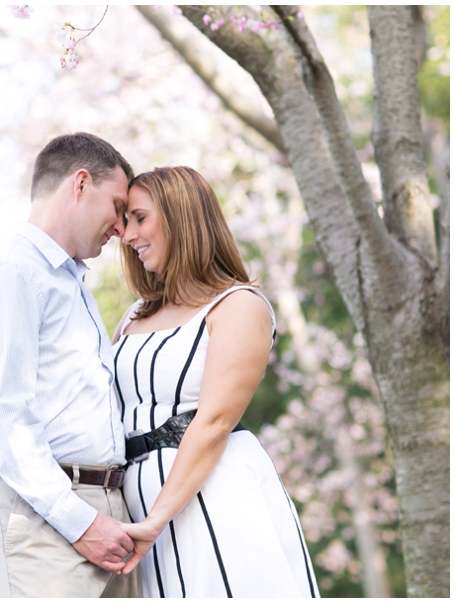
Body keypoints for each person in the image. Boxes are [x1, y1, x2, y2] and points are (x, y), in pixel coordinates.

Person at [0, 133, 140, 597]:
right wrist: (82, 522)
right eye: (116, 206)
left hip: (101, 510)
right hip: (43, 513)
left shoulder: (70, 281)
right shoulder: (12, 270)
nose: (121, 228)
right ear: (79, 183)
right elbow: (4, 418)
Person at [111, 166, 319, 598]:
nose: (127, 235)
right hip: (140, 506)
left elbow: (214, 421)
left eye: (140, 218)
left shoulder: (238, 305)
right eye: (125, 221)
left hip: (213, 494)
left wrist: (155, 520)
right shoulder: (133, 315)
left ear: (181, 217)